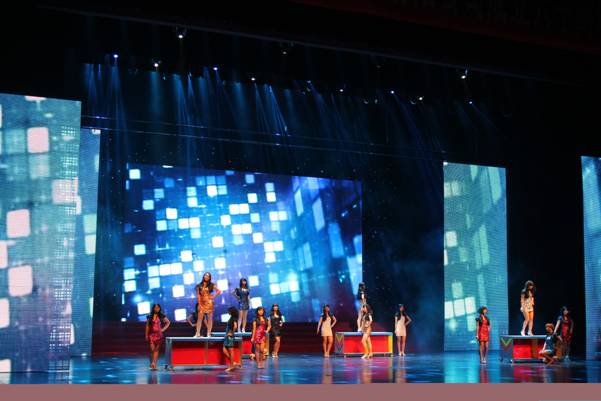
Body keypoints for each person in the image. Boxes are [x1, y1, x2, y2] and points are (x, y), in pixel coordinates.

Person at [194, 272, 222, 337]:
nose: (206, 277)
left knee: (210, 319)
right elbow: (198, 295)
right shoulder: (199, 285)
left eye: (208, 276)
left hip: (209, 303)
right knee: (199, 319)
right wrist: (199, 304)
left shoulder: (211, 285)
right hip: (201, 303)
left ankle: (208, 334)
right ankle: (197, 333)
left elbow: (219, 291)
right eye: (205, 275)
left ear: (209, 278)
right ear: (203, 276)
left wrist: (213, 296)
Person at [145, 304, 171, 370]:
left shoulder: (161, 316)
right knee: (152, 349)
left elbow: (168, 322)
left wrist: (162, 329)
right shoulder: (150, 316)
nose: (157, 309)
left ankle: (154, 364)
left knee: (156, 350)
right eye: (156, 307)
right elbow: (147, 326)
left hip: (159, 335)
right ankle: (151, 363)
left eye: (158, 307)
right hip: (151, 335)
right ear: (153, 308)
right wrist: (146, 335)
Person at [223, 306, 239, 372]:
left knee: (231, 351)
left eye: (229, 311)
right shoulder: (232, 317)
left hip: (230, 336)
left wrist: (232, 333)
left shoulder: (234, 318)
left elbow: (235, 326)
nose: (228, 312)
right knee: (224, 350)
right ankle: (233, 363)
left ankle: (231, 366)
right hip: (227, 336)